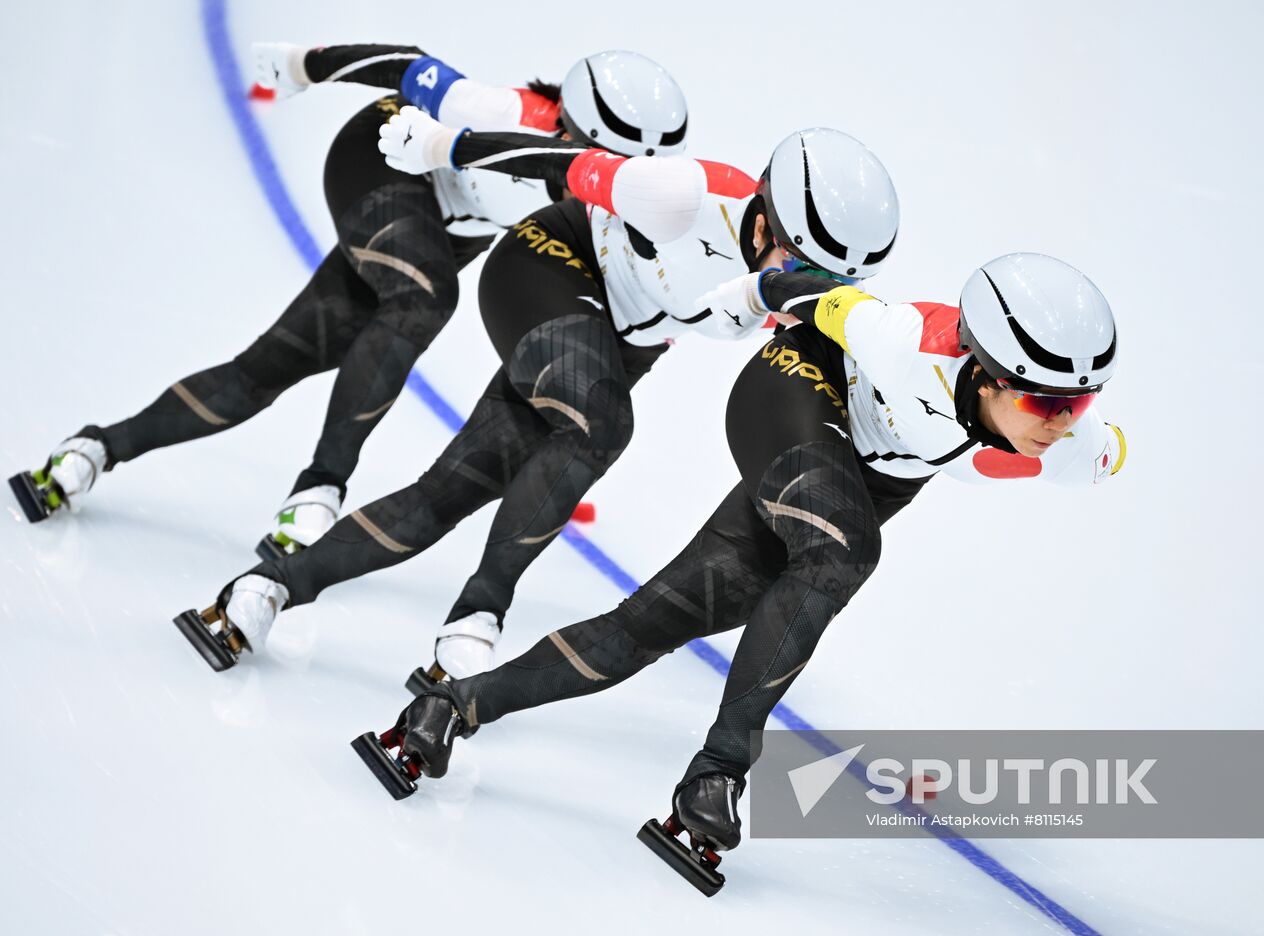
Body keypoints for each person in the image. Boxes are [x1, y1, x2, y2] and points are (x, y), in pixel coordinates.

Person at [356, 252, 1126, 865]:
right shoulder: (901, 339)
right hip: (792, 396)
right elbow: (811, 290)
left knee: (648, 625)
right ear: (987, 370)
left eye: (1079, 405)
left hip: (852, 474)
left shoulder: (1068, 445)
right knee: (846, 551)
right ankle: (718, 772)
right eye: (1047, 404)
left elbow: (1102, 451)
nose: (1063, 425)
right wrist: (746, 294)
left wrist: (1099, 437)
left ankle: (453, 706)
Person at [171, 114, 902, 684]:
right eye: (802, 266)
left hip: (614, 340)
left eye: (829, 282)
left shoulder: (807, 281)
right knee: (603, 425)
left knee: (447, 495)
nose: (806, 291)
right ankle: (480, 613)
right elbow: (563, 163)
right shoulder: (685, 196)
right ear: (766, 219)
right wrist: (444, 145)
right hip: (548, 265)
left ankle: (264, 588)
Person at [7, 42, 675, 563]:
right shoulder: (500, 112)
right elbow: (409, 66)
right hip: (380, 162)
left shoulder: (620, 189)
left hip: (435, 229)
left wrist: (568, 435)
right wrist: (305, 66)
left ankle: (93, 449)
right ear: (572, 126)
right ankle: (322, 483)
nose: (608, 180)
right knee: (425, 297)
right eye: (601, 159)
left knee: (264, 371)